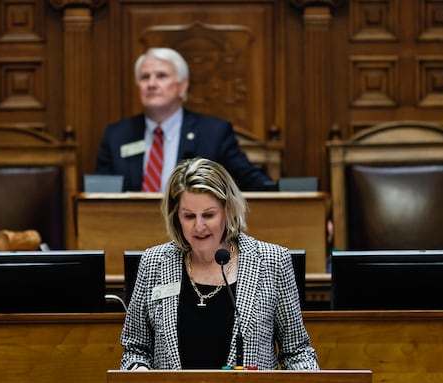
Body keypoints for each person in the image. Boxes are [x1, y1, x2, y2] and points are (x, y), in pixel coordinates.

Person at [120, 157, 319, 370]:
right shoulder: (154, 263)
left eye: (209, 215)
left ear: (228, 210)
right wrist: (139, 372)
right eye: (189, 216)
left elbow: (297, 352)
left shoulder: (272, 261)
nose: (199, 226)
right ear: (176, 216)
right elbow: (135, 350)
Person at [96, 47, 273, 192]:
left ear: (182, 86)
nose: (151, 84)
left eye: (161, 76)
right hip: (128, 229)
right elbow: (99, 193)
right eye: (145, 77)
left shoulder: (213, 133)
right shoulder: (117, 135)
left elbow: (252, 181)